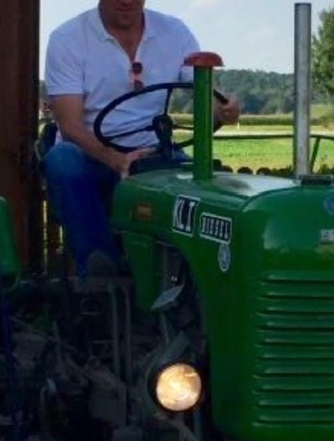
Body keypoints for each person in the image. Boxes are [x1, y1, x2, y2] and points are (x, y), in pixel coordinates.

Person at [43, 0, 240, 277]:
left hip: (154, 151)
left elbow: (202, 91)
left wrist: (222, 109)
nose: (126, 1)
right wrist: (116, 159)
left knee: (210, 187)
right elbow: (70, 126)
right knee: (62, 160)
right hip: (91, 154)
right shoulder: (68, 39)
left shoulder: (174, 32)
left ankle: (197, 275)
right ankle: (101, 269)